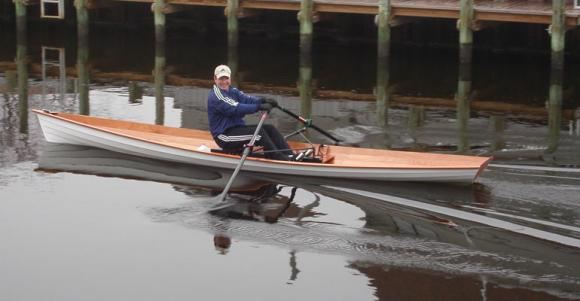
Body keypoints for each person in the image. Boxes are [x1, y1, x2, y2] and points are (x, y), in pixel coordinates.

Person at [207, 64, 294, 161]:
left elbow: (248, 100)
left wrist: (263, 100)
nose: (224, 82)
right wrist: (259, 107)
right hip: (224, 136)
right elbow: (236, 108)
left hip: (236, 129)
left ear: (230, 78)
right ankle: (279, 158)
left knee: (270, 129)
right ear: (215, 79)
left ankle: (290, 155)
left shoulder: (233, 91)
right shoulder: (216, 96)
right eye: (221, 79)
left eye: (226, 78)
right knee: (258, 134)